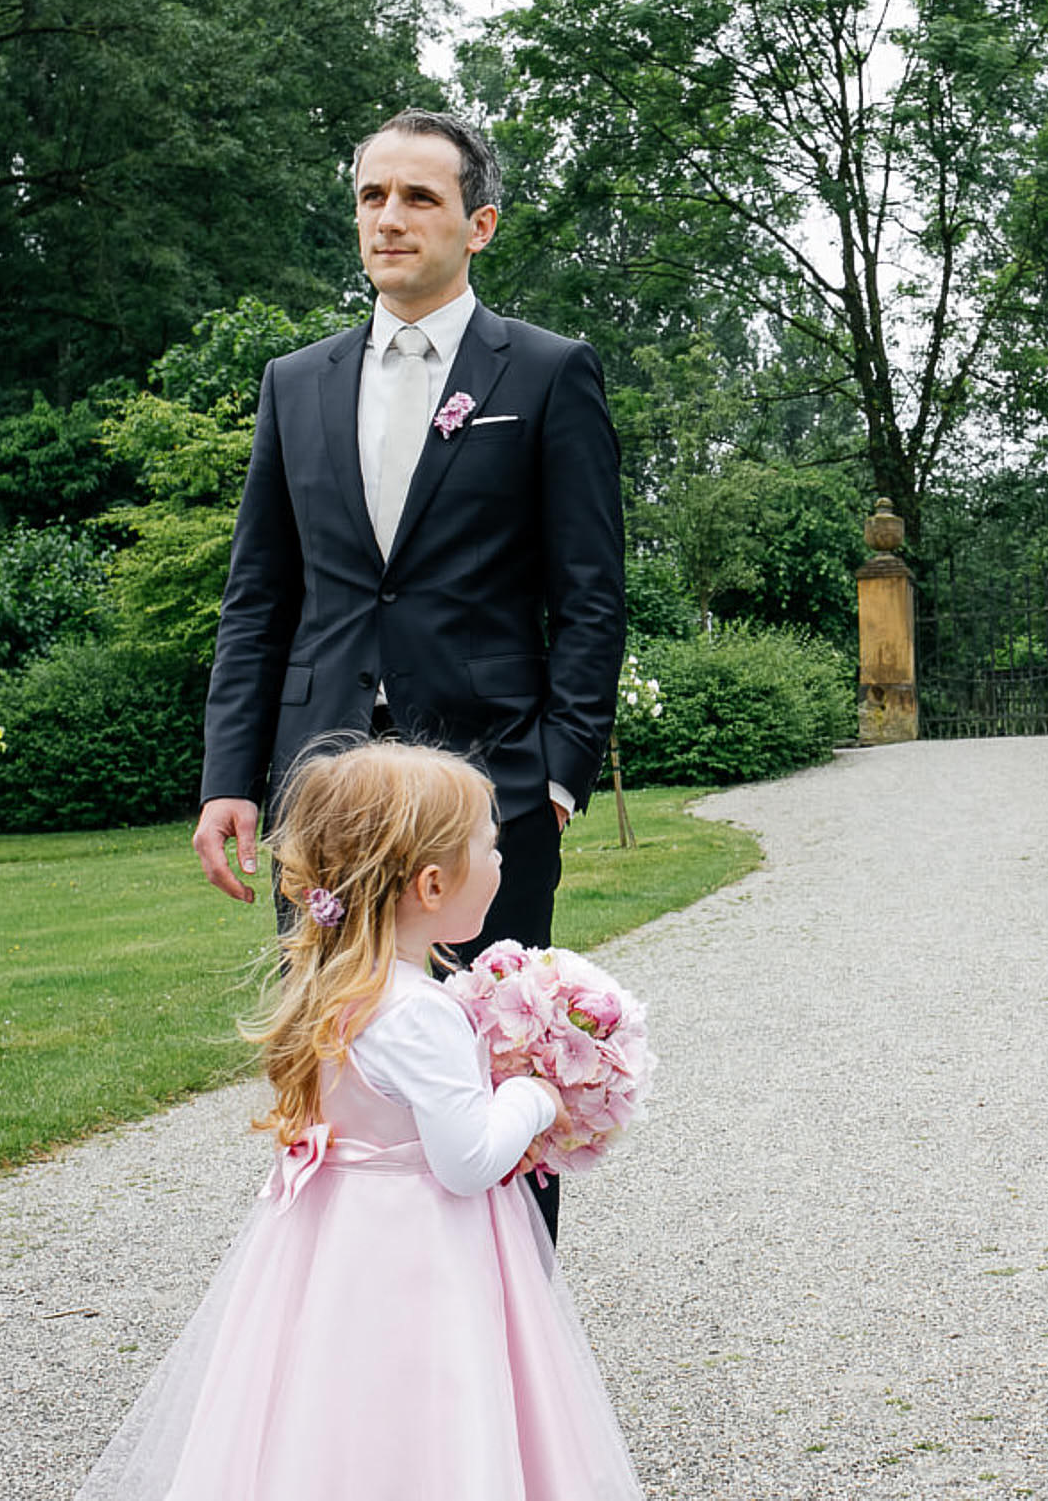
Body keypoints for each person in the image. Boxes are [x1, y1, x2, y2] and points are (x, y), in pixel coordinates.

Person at [78, 741, 643, 1501]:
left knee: (335, 1405)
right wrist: (539, 1094)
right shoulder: (422, 1014)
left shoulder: (340, 988)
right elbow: (467, 1160)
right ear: (433, 884)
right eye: (491, 846)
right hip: (420, 1255)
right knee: (429, 1405)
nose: (502, 863)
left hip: (337, 1246)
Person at [193, 104, 625, 962]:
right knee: (334, 1052)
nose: (389, 218)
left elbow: (591, 594)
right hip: (323, 786)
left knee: (483, 1045)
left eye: (419, 198)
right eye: (371, 196)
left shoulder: (547, 373)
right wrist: (227, 781)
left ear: (479, 226)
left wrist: (560, 776)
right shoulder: (294, 383)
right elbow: (258, 600)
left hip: (491, 781)